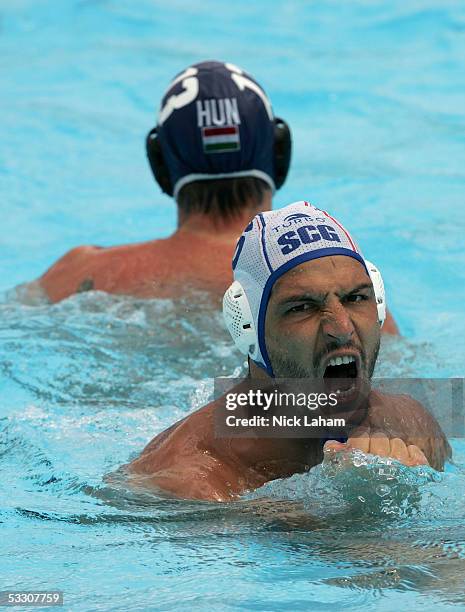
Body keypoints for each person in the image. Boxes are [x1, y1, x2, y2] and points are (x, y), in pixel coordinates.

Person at [25, 59, 399, 333]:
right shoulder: (340, 287)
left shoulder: (77, 275)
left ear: (160, 163)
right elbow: (415, 395)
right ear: (279, 153)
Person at [125, 201, 451, 501]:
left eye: (356, 298)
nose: (341, 328)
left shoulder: (412, 425)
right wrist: (359, 499)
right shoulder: (192, 480)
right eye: (303, 307)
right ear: (248, 327)